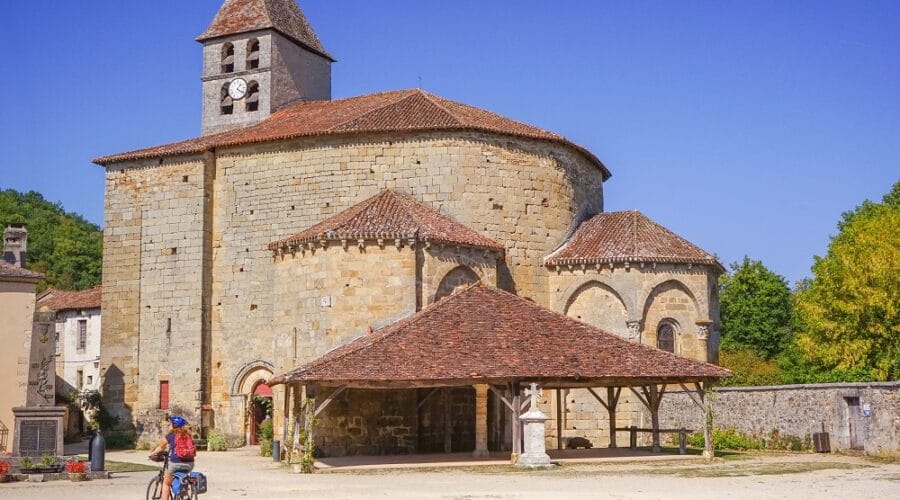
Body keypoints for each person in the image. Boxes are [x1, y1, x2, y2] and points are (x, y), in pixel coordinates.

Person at [150, 416, 195, 500]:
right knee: (182, 477)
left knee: (166, 483)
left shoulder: (171, 436)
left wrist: (152, 454)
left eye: (170, 424)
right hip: (190, 464)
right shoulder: (188, 435)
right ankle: (183, 492)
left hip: (175, 464)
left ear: (174, 426)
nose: (168, 426)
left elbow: (161, 447)